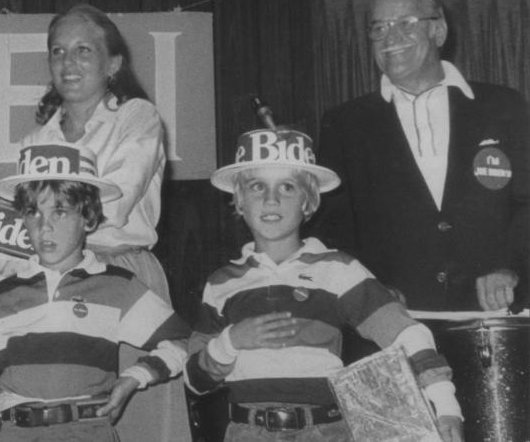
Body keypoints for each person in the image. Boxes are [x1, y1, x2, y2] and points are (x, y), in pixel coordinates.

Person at [0, 3, 192, 441]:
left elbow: (114, 204)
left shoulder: (136, 116)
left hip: (122, 277)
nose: (68, 62)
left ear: (114, 64)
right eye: (57, 51)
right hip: (47, 279)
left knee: (142, 424)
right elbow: (19, 240)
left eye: (83, 50)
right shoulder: (36, 140)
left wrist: (36, 228)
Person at [186, 127, 464, 442]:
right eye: (257, 186)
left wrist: (445, 402)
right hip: (246, 432)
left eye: (288, 187)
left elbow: (407, 332)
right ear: (239, 200)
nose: (271, 198)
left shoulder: (338, 270)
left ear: (309, 201)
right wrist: (230, 341)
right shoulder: (221, 283)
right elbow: (195, 380)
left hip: (325, 432)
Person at [311, 0, 529, 311]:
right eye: (379, 27)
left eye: (405, 23)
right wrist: (369, 290)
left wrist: (512, 268)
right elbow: (332, 228)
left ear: (438, 31)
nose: (390, 38)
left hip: (495, 316)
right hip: (392, 327)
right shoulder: (345, 124)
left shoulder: (504, 107)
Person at [0, 142, 191, 442]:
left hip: (86, 432)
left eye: (59, 212)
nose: (44, 227)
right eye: (33, 212)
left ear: (87, 217)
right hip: (15, 433)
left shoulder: (117, 286)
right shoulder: (7, 293)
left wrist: (134, 378)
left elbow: (183, 341)